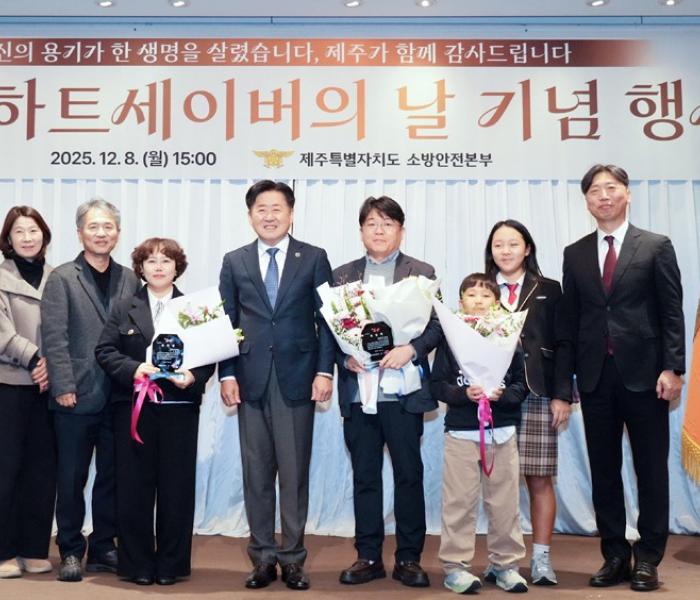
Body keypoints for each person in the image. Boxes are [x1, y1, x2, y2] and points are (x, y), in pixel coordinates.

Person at [560, 164, 685, 592]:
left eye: (611, 188)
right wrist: (567, 378)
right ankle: (614, 554)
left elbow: (671, 311)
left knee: (651, 469)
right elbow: (572, 319)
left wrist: (673, 367)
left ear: (627, 193)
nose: (604, 196)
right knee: (604, 470)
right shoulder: (575, 253)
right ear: (587, 201)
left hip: (647, 376)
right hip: (595, 377)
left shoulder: (655, 246)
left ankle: (648, 558)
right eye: (595, 190)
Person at [218, 180, 334, 591]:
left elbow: (328, 321)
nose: (269, 216)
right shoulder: (235, 261)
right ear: (250, 215)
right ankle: (263, 558)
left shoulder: (314, 257)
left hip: (298, 378)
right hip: (249, 379)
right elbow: (226, 322)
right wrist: (227, 374)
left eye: (277, 209)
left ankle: (294, 559)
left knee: (295, 472)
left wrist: (325, 372)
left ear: (291, 213)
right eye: (261, 209)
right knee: (257, 473)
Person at [334, 196, 441, 588]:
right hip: (359, 393)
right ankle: (368, 556)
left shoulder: (422, 272)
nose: (379, 231)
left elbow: (438, 326)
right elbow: (328, 329)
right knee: (365, 476)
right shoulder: (342, 276)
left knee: (409, 474)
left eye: (387, 223)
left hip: (403, 393)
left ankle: (409, 558)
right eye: (372, 224)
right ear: (361, 230)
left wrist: (411, 349)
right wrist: (345, 358)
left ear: (401, 230)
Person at [95, 238, 214, 586]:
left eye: (166, 260)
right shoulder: (123, 307)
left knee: (177, 488)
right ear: (141, 268)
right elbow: (104, 351)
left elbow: (211, 353)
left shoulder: (194, 308)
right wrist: (134, 369)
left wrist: (194, 377)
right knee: (134, 488)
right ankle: (137, 565)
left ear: (177, 267)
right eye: (151, 261)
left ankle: (171, 565)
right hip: (134, 409)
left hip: (179, 409)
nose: (158, 267)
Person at [41, 198, 140, 582]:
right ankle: (69, 549)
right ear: (80, 232)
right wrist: (63, 385)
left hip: (120, 395)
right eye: (94, 226)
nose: (102, 233)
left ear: (118, 232)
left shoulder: (130, 278)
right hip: (76, 395)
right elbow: (55, 337)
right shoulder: (63, 278)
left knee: (112, 476)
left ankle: (102, 547)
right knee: (71, 477)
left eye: (108, 226)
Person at [484, 219, 573, 585]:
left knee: (538, 479)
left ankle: (541, 559)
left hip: (537, 394)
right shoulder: (480, 289)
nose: (505, 251)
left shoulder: (548, 289)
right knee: (497, 483)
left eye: (512, 244)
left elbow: (565, 343)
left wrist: (562, 395)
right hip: (494, 397)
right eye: (498, 245)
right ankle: (500, 559)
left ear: (527, 248)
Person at [431, 273, 528, 594]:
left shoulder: (509, 337)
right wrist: (464, 394)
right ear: (461, 303)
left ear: (497, 303)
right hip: (461, 432)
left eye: (486, 296)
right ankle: (455, 567)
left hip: (502, 432)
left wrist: (503, 394)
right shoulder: (451, 339)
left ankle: (505, 565)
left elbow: (521, 386)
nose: (479, 301)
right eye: (471, 295)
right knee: (458, 503)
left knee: (505, 503)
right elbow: (438, 386)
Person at [0, 206, 55, 579]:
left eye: (33, 230)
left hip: (49, 387)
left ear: (44, 235)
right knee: (6, 470)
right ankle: (4, 551)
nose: (27, 237)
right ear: (8, 238)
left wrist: (52, 365)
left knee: (42, 470)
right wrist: (36, 358)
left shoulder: (59, 277)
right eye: (19, 231)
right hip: (9, 384)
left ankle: (34, 548)